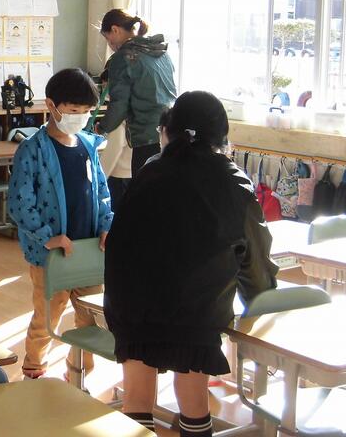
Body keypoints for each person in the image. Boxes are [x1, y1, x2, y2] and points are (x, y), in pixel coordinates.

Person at [103, 91, 278, 435]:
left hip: (132, 303)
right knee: (194, 399)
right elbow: (253, 258)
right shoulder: (234, 183)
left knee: (136, 400)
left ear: (167, 129)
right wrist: (259, 301)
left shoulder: (148, 171)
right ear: (223, 136)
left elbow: (121, 244)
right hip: (198, 308)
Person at [8, 68, 113, 380]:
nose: (80, 117)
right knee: (47, 317)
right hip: (50, 254)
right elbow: (19, 202)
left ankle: (78, 371)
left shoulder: (88, 146)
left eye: (86, 111)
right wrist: (46, 236)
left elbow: (102, 192)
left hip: (88, 250)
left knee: (91, 319)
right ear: (51, 105)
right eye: (73, 110)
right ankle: (34, 368)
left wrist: (106, 225)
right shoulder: (33, 149)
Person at [96, 9, 176, 175]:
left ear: (115, 30)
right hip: (171, 132)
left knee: (144, 186)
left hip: (146, 136)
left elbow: (119, 105)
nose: (109, 44)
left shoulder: (123, 57)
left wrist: (101, 128)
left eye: (107, 38)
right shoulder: (160, 51)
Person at [98, 59, 132, 213]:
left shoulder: (119, 114)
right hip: (135, 173)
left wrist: (98, 181)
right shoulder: (140, 107)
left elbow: (114, 150)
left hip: (119, 177)